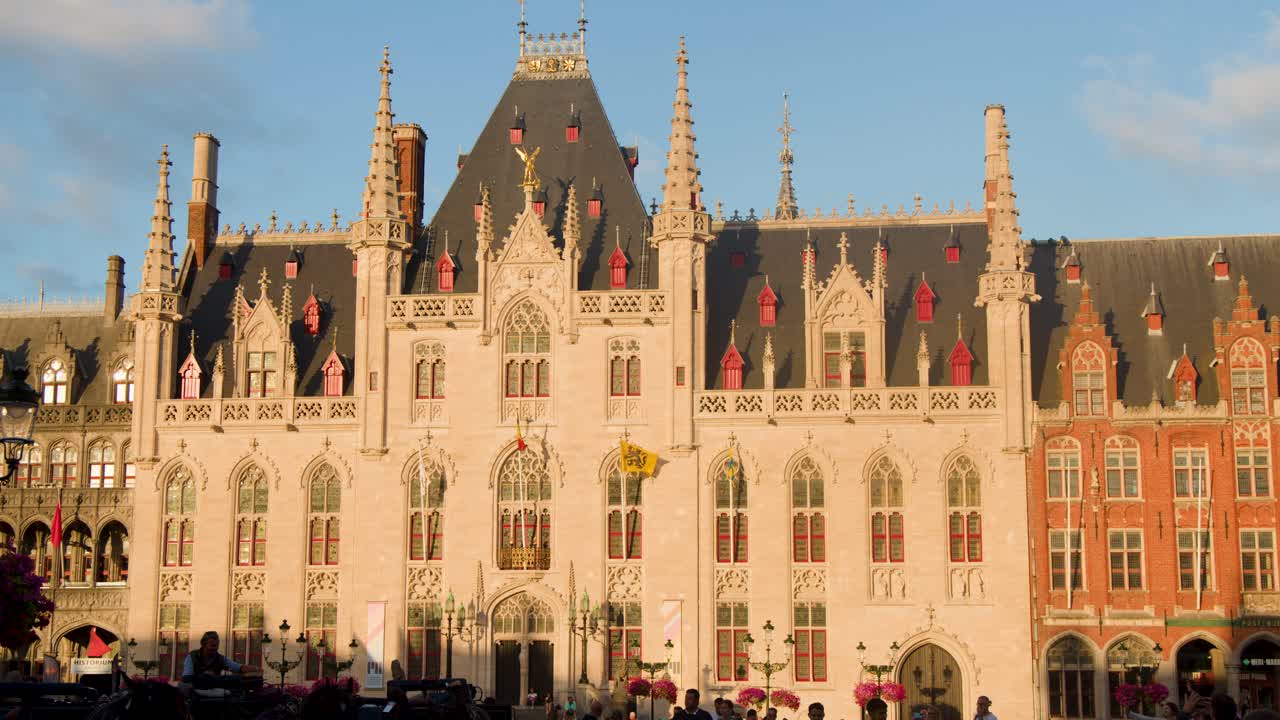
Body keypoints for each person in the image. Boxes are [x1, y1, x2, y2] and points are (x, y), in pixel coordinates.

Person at [181, 631, 257, 682]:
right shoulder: (192, 657)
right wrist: (203, 676)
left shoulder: (220, 659)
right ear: (203, 645)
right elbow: (186, 678)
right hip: (195, 692)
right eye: (212, 646)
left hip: (215, 692)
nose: (215, 648)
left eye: (217, 645)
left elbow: (238, 667)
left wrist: (256, 669)